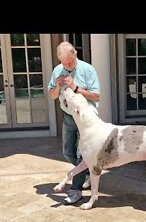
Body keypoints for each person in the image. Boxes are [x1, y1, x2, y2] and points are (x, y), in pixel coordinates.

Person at [48, 41, 101, 204]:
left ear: (75, 55)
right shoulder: (58, 70)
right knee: (68, 152)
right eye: (64, 63)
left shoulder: (88, 69)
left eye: (70, 62)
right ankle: (86, 173)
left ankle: (75, 190)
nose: (68, 66)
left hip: (86, 119)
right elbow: (52, 96)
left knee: (80, 154)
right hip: (69, 118)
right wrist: (57, 86)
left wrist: (76, 88)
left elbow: (96, 96)